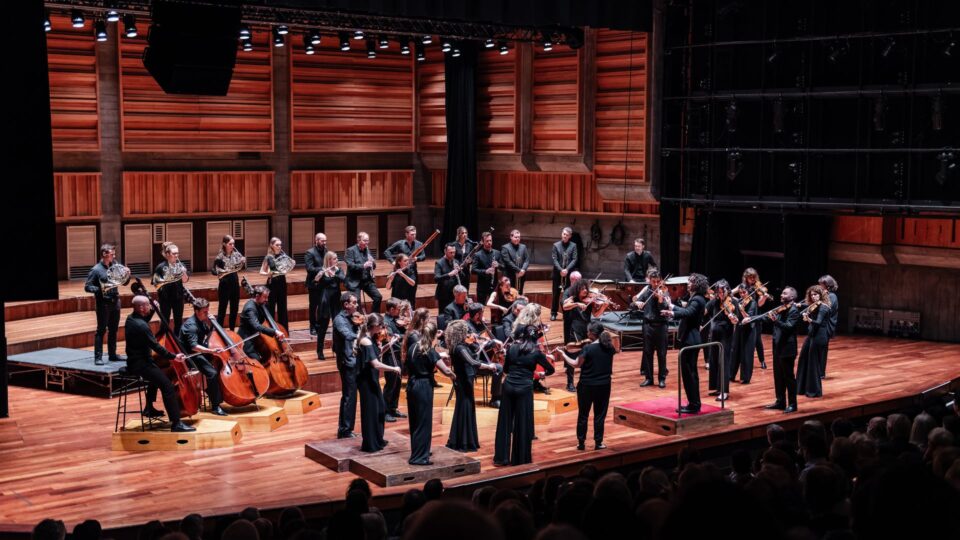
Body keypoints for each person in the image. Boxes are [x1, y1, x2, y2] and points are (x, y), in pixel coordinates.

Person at [125, 295, 195, 432]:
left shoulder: (131, 319)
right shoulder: (142, 326)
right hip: (141, 364)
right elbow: (156, 347)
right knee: (167, 386)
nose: (149, 307)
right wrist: (174, 357)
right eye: (147, 305)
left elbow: (143, 320)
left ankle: (149, 408)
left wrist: (152, 311)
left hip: (135, 361)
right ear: (140, 307)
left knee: (157, 377)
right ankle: (176, 423)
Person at [494, 321, 555, 466]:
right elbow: (550, 370)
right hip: (525, 389)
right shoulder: (537, 352)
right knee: (522, 424)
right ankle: (520, 459)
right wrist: (539, 374)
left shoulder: (512, 348)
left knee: (504, 423)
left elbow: (507, 369)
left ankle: (501, 458)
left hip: (508, 386)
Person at [560, 321, 615, 450]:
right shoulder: (609, 347)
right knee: (600, 415)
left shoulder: (588, 348)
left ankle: (581, 442)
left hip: (587, 386)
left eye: (588, 331)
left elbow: (575, 364)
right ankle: (599, 442)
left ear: (591, 333)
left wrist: (563, 354)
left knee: (583, 415)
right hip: (604, 385)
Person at [406, 322, 456, 465]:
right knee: (424, 422)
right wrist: (454, 376)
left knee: (415, 422)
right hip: (423, 386)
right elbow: (445, 371)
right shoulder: (429, 350)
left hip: (412, 384)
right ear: (434, 335)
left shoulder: (412, 347)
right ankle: (419, 458)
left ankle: (417, 452)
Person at [445, 320, 499, 452]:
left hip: (465, 380)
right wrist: (489, 366)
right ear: (460, 333)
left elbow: (474, 355)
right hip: (463, 381)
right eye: (466, 331)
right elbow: (473, 362)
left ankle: (464, 439)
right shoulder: (459, 348)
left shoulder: (460, 346)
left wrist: (478, 344)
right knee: (464, 408)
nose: (469, 333)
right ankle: (463, 442)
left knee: (467, 408)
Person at [662, 273, 708, 414]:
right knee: (690, 374)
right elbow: (687, 310)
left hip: (690, 340)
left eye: (690, 281)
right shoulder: (696, 298)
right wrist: (671, 306)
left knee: (690, 374)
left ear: (697, 284)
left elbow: (688, 312)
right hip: (690, 339)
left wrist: (671, 312)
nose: (688, 283)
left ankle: (694, 405)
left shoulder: (697, 299)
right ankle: (693, 403)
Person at [355, 313, 402, 452]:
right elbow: (375, 364)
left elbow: (379, 353)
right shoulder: (365, 341)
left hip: (372, 379)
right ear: (374, 326)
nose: (382, 328)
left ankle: (378, 439)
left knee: (379, 409)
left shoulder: (371, 339)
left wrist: (391, 342)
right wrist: (394, 368)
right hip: (366, 381)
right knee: (370, 411)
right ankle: (371, 443)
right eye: (381, 325)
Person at [750, 287, 801, 413]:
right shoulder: (780, 308)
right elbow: (765, 317)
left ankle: (793, 404)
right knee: (778, 376)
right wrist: (751, 319)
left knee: (788, 377)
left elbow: (788, 327)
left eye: (785, 293)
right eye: (782, 293)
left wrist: (776, 320)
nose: (782, 295)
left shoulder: (794, 310)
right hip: (777, 347)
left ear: (792, 297)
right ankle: (780, 401)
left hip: (787, 349)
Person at [178, 298, 227, 416]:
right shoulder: (191, 326)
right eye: (205, 312)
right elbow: (194, 346)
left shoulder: (201, 321)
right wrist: (211, 350)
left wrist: (211, 323)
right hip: (190, 356)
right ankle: (216, 406)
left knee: (219, 365)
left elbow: (208, 334)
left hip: (199, 352)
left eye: (207, 311)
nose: (207, 313)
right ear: (196, 311)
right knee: (212, 373)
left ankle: (218, 395)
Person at [562, 279, 608, 392]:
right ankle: (569, 383)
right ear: (577, 290)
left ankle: (583, 381)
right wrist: (577, 304)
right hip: (575, 329)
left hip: (587, 329)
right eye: (582, 289)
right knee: (573, 355)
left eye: (586, 289)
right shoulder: (573, 299)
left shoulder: (590, 300)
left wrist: (604, 306)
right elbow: (564, 306)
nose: (585, 291)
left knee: (586, 356)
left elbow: (596, 314)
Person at [84, 243, 126, 365]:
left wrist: (126, 274)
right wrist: (100, 289)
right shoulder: (96, 270)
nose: (114, 256)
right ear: (104, 254)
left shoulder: (115, 266)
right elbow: (87, 287)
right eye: (112, 254)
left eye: (114, 254)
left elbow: (124, 283)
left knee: (114, 330)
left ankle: (112, 355)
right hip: (103, 303)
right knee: (101, 330)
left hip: (115, 302)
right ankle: (98, 357)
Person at [633, 269, 669, 388]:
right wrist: (637, 303)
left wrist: (660, 300)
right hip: (647, 325)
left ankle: (662, 379)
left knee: (662, 353)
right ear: (649, 280)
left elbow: (666, 308)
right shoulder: (647, 290)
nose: (655, 284)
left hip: (661, 326)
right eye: (653, 281)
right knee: (648, 352)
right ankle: (648, 378)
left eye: (657, 281)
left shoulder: (664, 292)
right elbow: (634, 302)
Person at [334, 293, 361, 438]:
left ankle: (349, 428)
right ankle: (344, 430)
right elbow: (347, 335)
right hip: (347, 361)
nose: (357, 305)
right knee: (349, 396)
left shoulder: (354, 318)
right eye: (354, 303)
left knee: (353, 395)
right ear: (346, 304)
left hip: (355, 360)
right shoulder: (339, 320)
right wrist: (364, 334)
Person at [704, 280, 737, 400]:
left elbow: (736, 320)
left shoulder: (733, 302)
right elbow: (705, 310)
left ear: (728, 290)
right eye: (719, 292)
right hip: (714, 334)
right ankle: (717, 388)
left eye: (723, 291)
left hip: (726, 336)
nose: (721, 294)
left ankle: (724, 391)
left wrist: (733, 318)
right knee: (713, 360)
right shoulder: (715, 301)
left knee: (724, 361)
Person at [797, 285, 831, 399]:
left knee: (812, 363)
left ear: (821, 295)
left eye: (816, 294)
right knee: (803, 358)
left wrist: (808, 319)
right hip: (812, 335)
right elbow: (806, 305)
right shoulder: (814, 306)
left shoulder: (824, 307)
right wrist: (798, 305)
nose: (814, 297)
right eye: (812, 295)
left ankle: (814, 391)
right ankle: (801, 387)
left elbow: (818, 322)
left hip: (819, 336)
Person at [152, 241, 190, 336]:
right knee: (165, 323)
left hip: (178, 298)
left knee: (178, 322)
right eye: (174, 253)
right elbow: (156, 283)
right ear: (167, 254)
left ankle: (178, 344)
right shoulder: (160, 267)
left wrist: (184, 272)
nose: (176, 255)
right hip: (165, 299)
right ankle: (163, 343)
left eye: (177, 253)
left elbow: (185, 280)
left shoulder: (181, 266)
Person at [237, 285, 282, 363]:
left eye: (267, 297)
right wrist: (275, 331)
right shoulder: (250, 309)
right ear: (257, 296)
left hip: (256, 337)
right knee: (257, 360)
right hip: (246, 339)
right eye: (265, 297)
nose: (266, 300)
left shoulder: (260, 304)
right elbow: (257, 326)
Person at [384, 226, 425, 307]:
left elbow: (423, 256)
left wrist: (417, 258)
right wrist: (393, 262)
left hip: (412, 271)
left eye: (415, 234)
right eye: (412, 234)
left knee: (411, 295)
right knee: (397, 291)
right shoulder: (400, 244)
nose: (414, 236)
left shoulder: (419, 244)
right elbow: (387, 252)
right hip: (400, 269)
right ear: (406, 234)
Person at [210, 235, 245, 330]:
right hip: (224, 285)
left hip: (234, 284)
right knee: (222, 310)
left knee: (234, 309)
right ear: (224, 244)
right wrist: (221, 272)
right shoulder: (220, 257)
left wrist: (242, 262)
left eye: (233, 243)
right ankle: (219, 331)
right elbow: (213, 270)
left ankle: (232, 330)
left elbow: (240, 268)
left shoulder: (237, 255)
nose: (232, 245)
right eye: (230, 244)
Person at [738, 268, 770, 370]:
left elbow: (759, 304)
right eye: (750, 277)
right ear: (745, 277)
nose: (752, 279)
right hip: (743, 314)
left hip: (755, 314)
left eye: (754, 277)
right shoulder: (743, 287)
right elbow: (732, 292)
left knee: (757, 340)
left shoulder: (758, 287)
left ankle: (762, 360)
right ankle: (742, 360)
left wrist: (764, 297)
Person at [314, 251, 344, 360]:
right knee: (323, 327)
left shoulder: (339, 270)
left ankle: (336, 348)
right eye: (335, 259)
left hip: (336, 300)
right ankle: (319, 351)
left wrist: (335, 274)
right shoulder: (322, 271)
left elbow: (344, 280)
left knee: (337, 326)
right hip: (325, 301)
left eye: (336, 258)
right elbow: (315, 283)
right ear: (329, 260)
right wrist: (318, 276)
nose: (337, 260)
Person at [382, 298, 406, 422]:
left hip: (398, 354)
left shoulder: (397, 320)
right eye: (398, 309)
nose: (400, 311)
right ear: (391, 309)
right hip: (390, 355)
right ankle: (385, 411)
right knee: (390, 384)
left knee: (397, 383)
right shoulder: (386, 322)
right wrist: (405, 337)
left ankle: (393, 408)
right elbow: (390, 339)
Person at [345, 232, 382, 313]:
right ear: (358, 240)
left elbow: (373, 266)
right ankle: (357, 321)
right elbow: (350, 265)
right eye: (365, 240)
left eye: (367, 240)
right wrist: (363, 266)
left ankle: (374, 317)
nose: (367, 242)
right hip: (354, 281)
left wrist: (372, 263)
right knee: (356, 302)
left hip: (366, 280)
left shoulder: (367, 250)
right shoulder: (350, 250)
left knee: (378, 297)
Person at [730, 282, 759, 384]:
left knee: (746, 354)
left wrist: (742, 310)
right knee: (735, 352)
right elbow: (738, 317)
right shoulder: (740, 301)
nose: (742, 295)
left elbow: (749, 318)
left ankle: (745, 378)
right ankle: (731, 375)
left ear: (749, 292)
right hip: (739, 329)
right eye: (740, 293)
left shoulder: (753, 303)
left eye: (744, 292)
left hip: (749, 331)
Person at [260, 237, 291, 329]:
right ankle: (271, 330)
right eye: (277, 245)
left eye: (280, 245)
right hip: (272, 283)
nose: (279, 247)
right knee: (271, 308)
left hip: (282, 282)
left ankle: (284, 330)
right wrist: (268, 274)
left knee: (283, 308)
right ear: (272, 245)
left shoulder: (283, 256)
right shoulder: (268, 257)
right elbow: (261, 271)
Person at [550, 227, 578, 321]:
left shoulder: (573, 245)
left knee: (568, 294)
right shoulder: (556, 245)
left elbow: (574, 259)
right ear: (562, 234)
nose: (565, 236)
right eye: (563, 234)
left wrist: (567, 270)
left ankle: (566, 313)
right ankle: (553, 313)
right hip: (558, 274)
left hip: (568, 274)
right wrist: (561, 270)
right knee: (555, 294)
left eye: (567, 235)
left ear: (570, 236)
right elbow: (554, 259)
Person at [304, 232, 328, 335]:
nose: (324, 243)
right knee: (313, 307)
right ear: (316, 240)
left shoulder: (326, 251)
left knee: (322, 306)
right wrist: (322, 269)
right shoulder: (309, 253)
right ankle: (312, 327)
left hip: (324, 283)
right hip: (314, 284)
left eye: (325, 241)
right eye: (322, 241)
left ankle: (319, 325)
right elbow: (309, 268)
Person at [472, 231, 501, 311]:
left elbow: (504, 266)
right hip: (482, 286)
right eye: (487, 241)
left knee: (495, 308)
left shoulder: (497, 253)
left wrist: (498, 265)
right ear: (483, 242)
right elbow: (473, 270)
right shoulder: (478, 255)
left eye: (490, 240)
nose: (489, 243)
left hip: (494, 285)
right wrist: (485, 271)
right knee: (480, 308)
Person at [818, 275, 839, 378]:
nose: (819, 287)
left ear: (827, 285)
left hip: (826, 326)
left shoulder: (832, 296)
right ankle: (817, 371)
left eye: (821, 285)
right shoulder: (825, 295)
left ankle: (821, 373)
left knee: (822, 350)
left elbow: (827, 309)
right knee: (819, 349)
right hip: (821, 325)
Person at [500, 230, 530, 294]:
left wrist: (523, 270)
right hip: (510, 275)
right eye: (516, 237)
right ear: (511, 237)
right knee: (510, 294)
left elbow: (527, 260)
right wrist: (519, 270)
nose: (517, 239)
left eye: (519, 237)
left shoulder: (523, 247)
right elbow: (508, 262)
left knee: (520, 292)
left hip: (521, 274)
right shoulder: (505, 247)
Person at [448, 226, 476, 292]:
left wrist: (471, 261)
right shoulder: (453, 245)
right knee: (457, 291)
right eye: (462, 233)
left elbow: (472, 257)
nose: (464, 235)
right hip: (456, 271)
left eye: (466, 233)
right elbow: (451, 257)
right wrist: (457, 264)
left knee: (466, 290)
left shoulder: (469, 245)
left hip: (466, 272)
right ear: (458, 234)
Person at [434, 244, 460, 313]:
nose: (453, 254)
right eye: (450, 252)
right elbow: (436, 278)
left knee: (454, 313)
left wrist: (459, 271)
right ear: (445, 251)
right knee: (443, 314)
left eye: (454, 252)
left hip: (454, 294)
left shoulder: (456, 261)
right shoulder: (439, 263)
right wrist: (449, 274)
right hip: (443, 294)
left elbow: (462, 277)